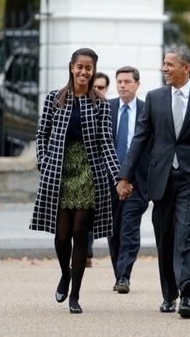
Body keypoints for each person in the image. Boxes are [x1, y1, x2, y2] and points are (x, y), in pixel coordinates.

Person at [116, 45, 190, 318]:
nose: (164, 68)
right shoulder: (154, 97)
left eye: (170, 64)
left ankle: (186, 293)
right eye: (164, 64)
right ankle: (169, 295)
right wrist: (125, 176)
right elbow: (140, 138)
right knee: (165, 239)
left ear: (186, 68)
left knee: (186, 235)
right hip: (160, 179)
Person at [30, 48, 119, 314]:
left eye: (88, 68)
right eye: (79, 66)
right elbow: (42, 134)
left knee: (81, 231)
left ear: (93, 71)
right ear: (71, 67)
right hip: (59, 169)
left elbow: (107, 143)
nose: (83, 72)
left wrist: (118, 176)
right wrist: (43, 162)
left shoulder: (100, 103)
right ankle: (65, 274)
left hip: (88, 171)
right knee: (61, 235)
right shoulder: (54, 99)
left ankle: (75, 295)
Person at [107, 66, 149, 293]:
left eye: (127, 81)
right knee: (113, 230)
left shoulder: (146, 110)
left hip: (137, 182)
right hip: (109, 181)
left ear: (137, 84)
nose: (122, 85)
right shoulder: (107, 108)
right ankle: (118, 273)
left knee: (129, 228)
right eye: (119, 81)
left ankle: (124, 276)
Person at [85, 71, 111, 268]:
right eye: (95, 87)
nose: (97, 91)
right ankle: (86, 252)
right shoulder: (83, 106)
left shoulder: (109, 108)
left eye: (101, 87)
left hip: (108, 171)